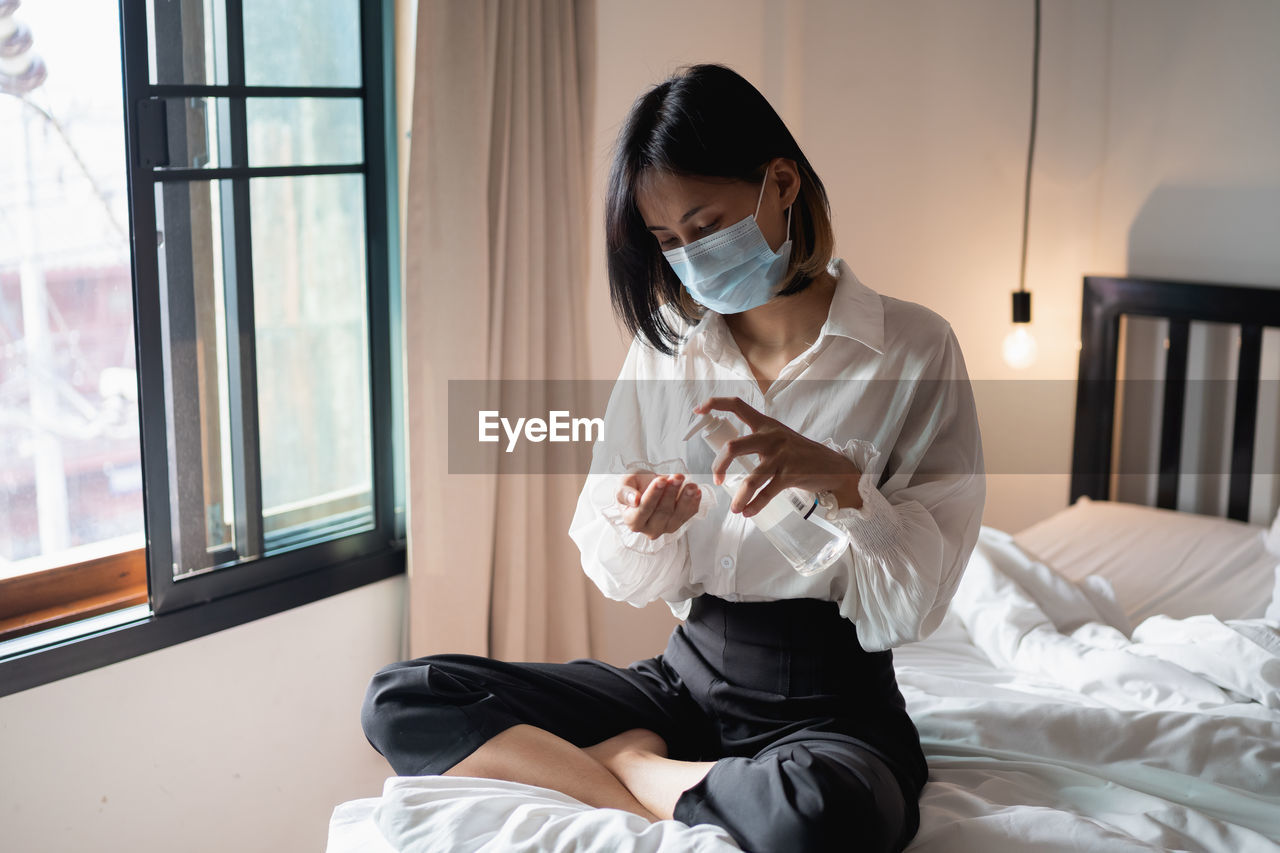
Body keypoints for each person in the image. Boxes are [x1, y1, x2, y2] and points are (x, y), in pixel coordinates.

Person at [361, 63, 986, 853]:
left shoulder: (914, 347)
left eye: (705, 225)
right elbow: (608, 540)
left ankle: (633, 770)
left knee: (822, 817)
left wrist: (838, 483)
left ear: (781, 183)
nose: (689, 257)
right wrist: (639, 522)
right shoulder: (669, 349)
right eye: (668, 241)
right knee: (406, 696)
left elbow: (917, 604)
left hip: (831, 705)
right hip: (685, 682)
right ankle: (664, 776)